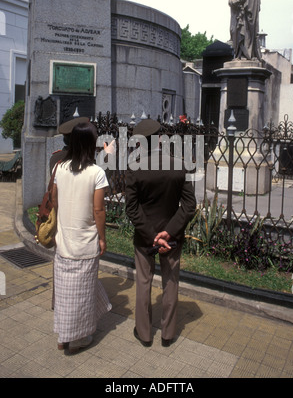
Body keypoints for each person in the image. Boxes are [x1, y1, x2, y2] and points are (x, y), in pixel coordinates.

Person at [125, 119, 196, 347]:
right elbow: (189, 205)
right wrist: (169, 232)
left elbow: (131, 207)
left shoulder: (134, 167)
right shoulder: (179, 165)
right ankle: (168, 334)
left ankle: (145, 334)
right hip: (172, 236)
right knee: (171, 282)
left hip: (145, 236)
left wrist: (151, 234)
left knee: (144, 283)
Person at [52, 122, 112, 354]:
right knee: (82, 295)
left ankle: (62, 336)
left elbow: (55, 200)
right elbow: (98, 211)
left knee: (65, 293)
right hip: (85, 243)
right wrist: (103, 238)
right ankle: (77, 338)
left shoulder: (60, 168)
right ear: (91, 143)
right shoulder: (96, 173)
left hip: (64, 241)